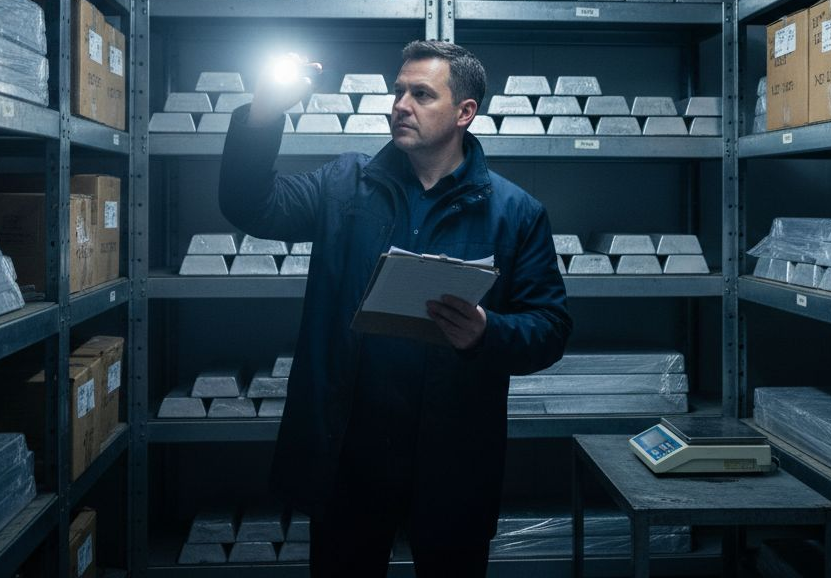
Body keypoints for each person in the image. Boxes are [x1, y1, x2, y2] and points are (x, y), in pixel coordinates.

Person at [218, 40, 572, 577]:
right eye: (399, 90)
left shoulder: (515, 212)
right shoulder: (344, 184)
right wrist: (264, 113)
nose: (400, 104)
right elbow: (251, 205)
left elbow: (550, 327)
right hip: (348, 458)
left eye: (421, 94)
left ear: (464, 113)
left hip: (452, 460)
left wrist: (486, 331)